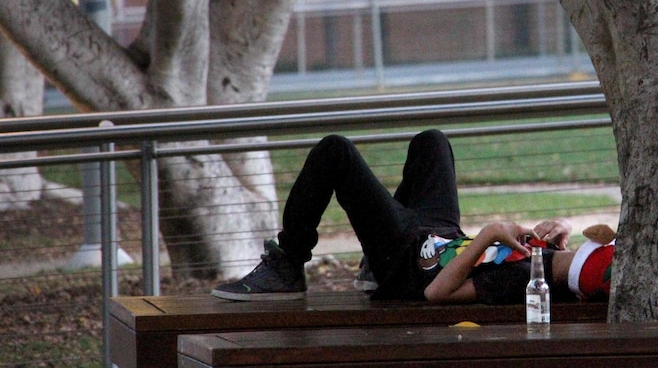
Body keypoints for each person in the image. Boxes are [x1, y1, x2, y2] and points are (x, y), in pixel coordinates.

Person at [212, 129, 615, 304]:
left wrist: (491, 233)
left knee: (335, 152)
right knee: (432, 143)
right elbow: (564, 251)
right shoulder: (546, 263)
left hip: (405, 262)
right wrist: (559, 227)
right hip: (439, 234)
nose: (578, 245)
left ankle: (288, 263)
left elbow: (437, 293)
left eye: (586, 249)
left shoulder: (526, 283)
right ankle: (369, 262)